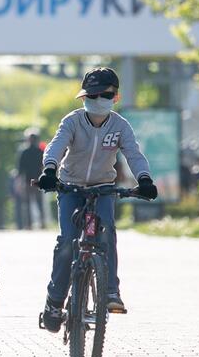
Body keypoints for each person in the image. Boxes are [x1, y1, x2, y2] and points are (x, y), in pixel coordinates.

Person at [36, 67, 158, 332]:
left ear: (116, 97)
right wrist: (49, 169)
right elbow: (56, 145)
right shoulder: (72, 121)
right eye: (91, 96)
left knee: (106, 235)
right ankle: (55, 301)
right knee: (68, 241)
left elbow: (133, 155)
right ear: (83, 98)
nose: (97, 100)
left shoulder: (120, 126)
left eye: (104, 95)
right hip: (70, 187)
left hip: (103, 188)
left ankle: (111, 291)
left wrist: (145, 179)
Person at [17, 128, 45, 229]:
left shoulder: (24, 151)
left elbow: (20, 169)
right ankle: (42, 222)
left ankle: (29, 224)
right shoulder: (40, 151)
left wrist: (19, 181)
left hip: (28, 180)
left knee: (28, 203)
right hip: (38, 179)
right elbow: (43, 166)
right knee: (39, 202)